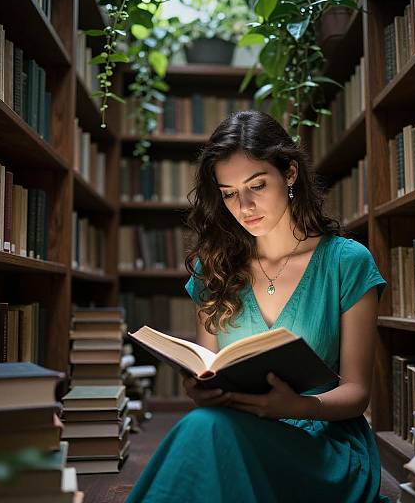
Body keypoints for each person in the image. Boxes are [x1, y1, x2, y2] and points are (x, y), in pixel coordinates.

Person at [126, 110, 389, 503]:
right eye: (229, 193)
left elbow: (357, 393)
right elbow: (208, 365)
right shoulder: (211, 267)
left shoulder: (346, 262)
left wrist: (296, 405)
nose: (244, 205)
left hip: (322, 445)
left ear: (290, 174)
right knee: (205, 422)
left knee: (204, 431)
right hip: (238, 429)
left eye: (257, 185)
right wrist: (201, 391)